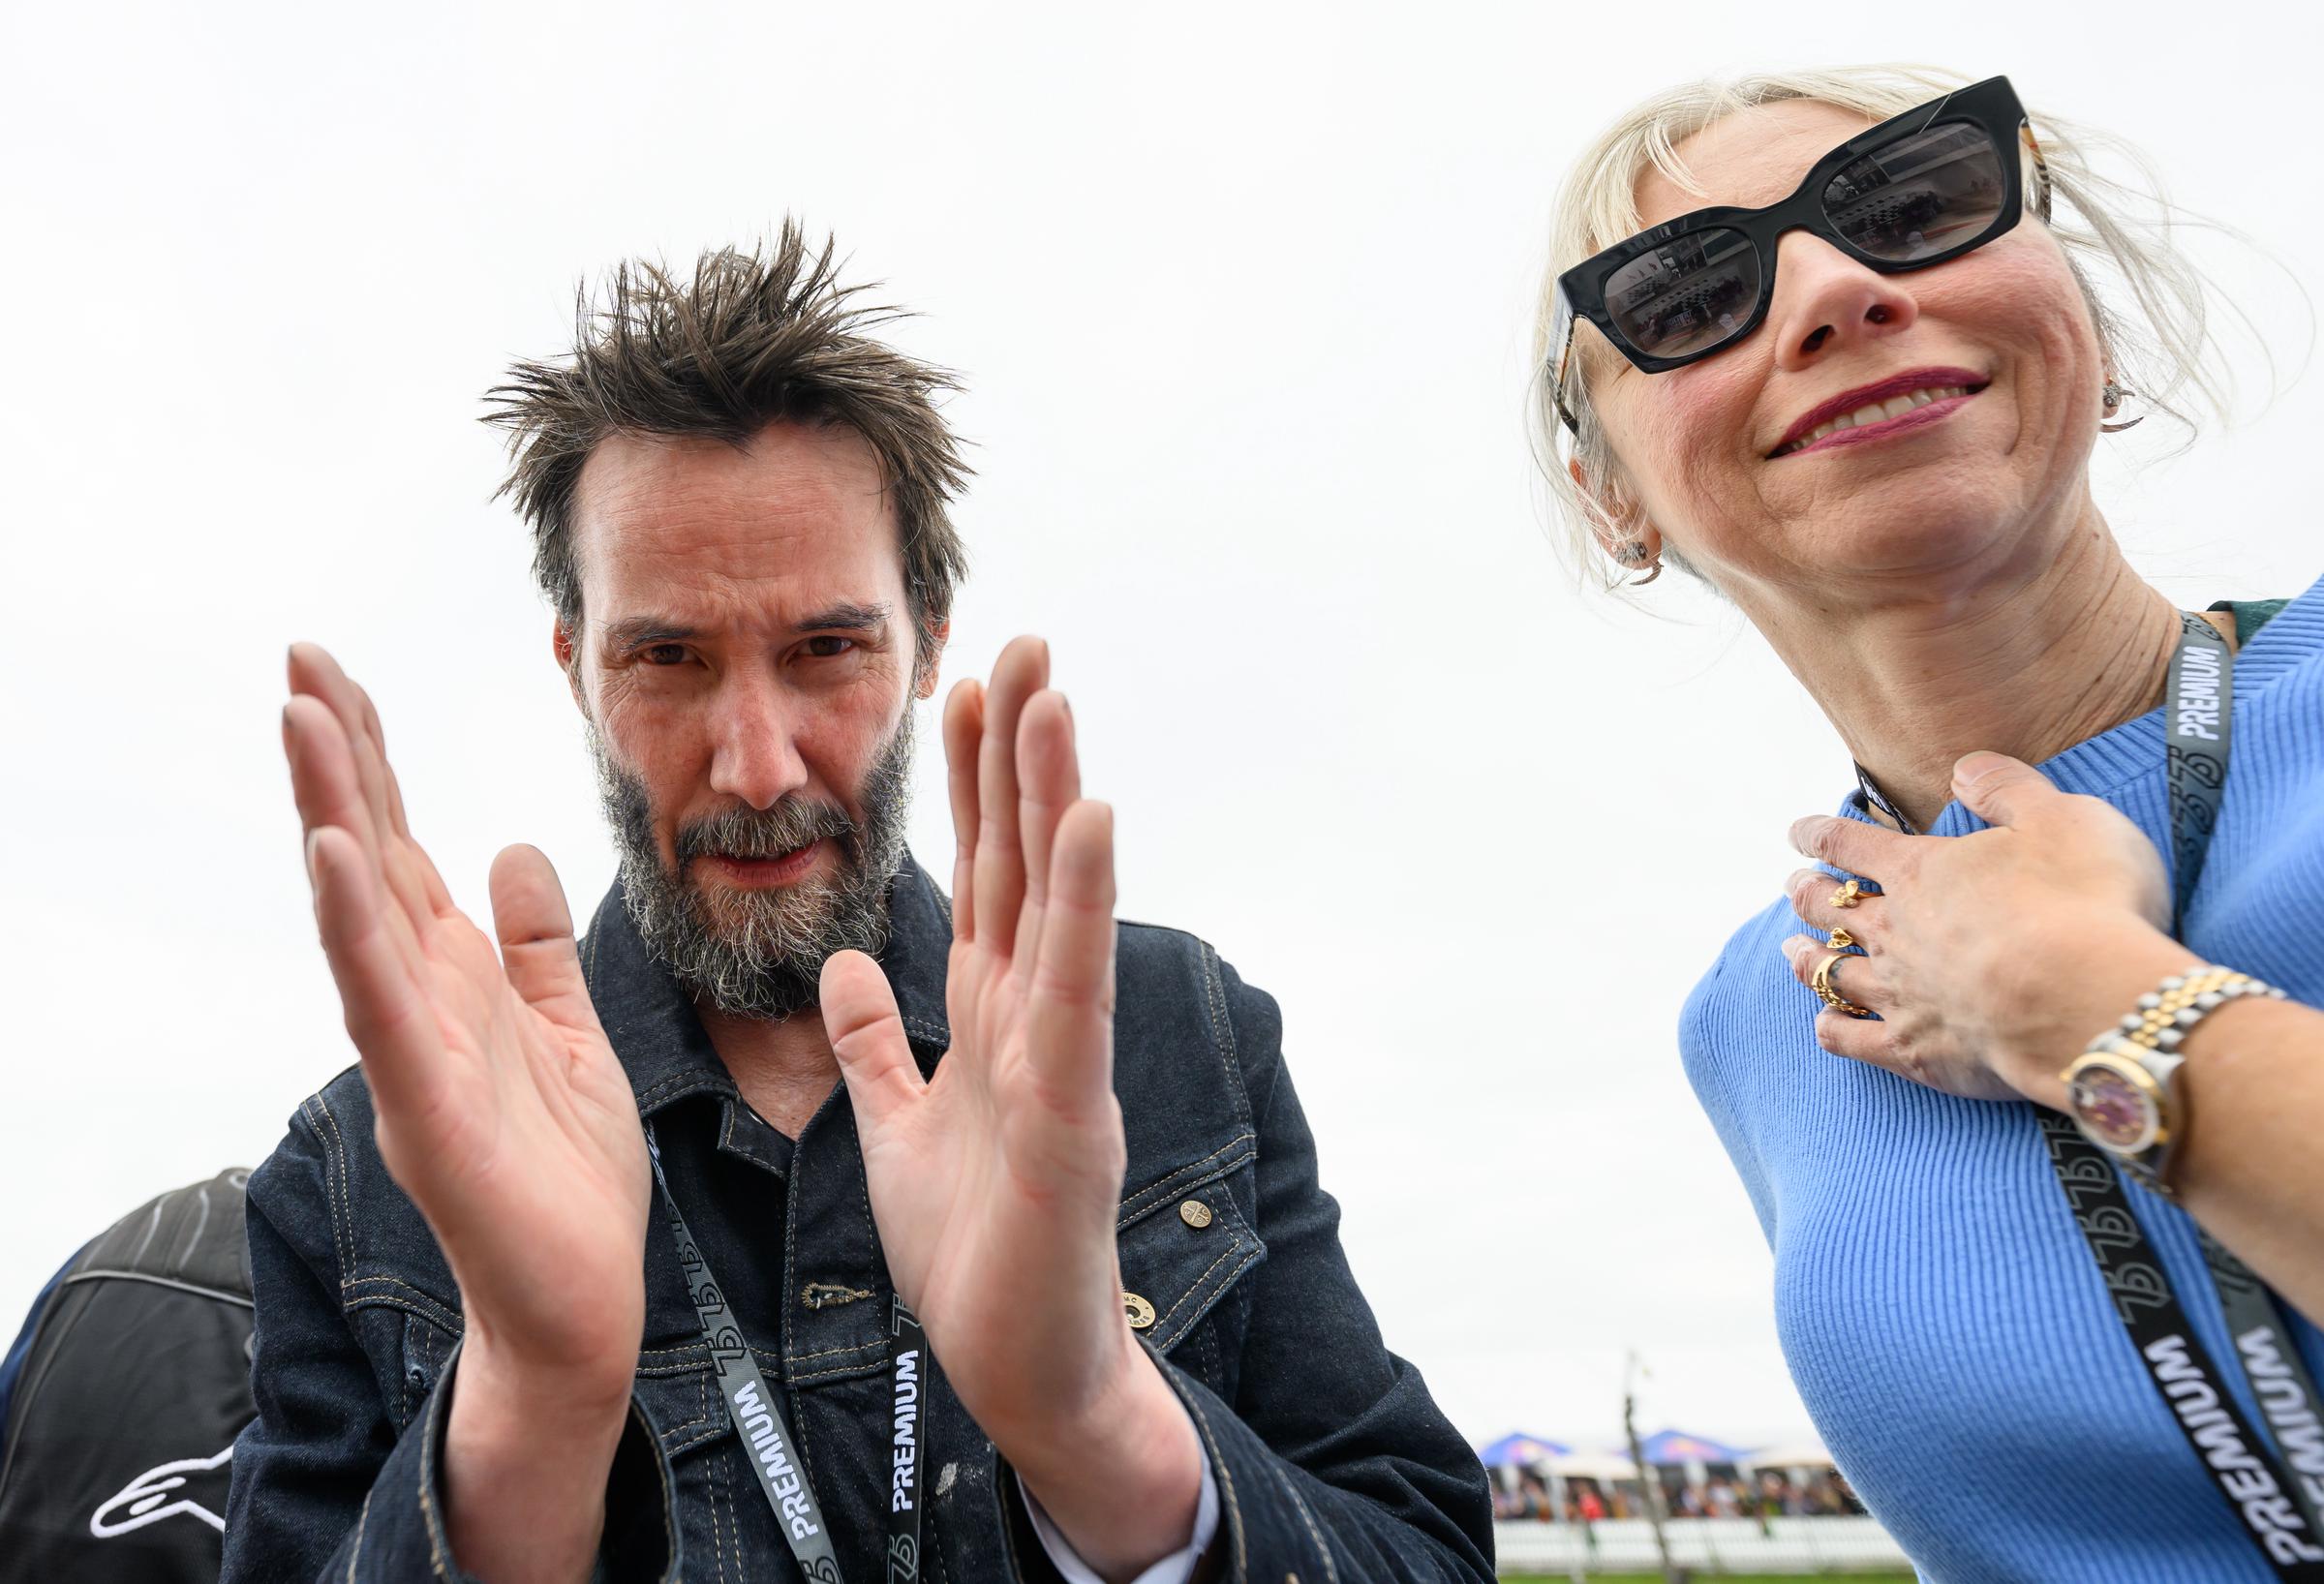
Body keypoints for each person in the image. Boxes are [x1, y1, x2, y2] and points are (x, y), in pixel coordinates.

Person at [220, 228, 1493, 1583]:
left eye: (827, 648)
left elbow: (1421, 1544)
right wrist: (531, 1416)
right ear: (576, 666)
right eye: (668, 657)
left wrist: (1096, 1423)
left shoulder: (1179, 1040)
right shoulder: (362, 1174)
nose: (757, 764)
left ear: (929, 634)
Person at [1534, 65, 2324, 1582]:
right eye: (1690, 296)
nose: (1834, 291)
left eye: (1911, 207)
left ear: (2072, 307)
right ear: (1609, 499)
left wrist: (2088, 1006)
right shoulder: (1758, 1014)